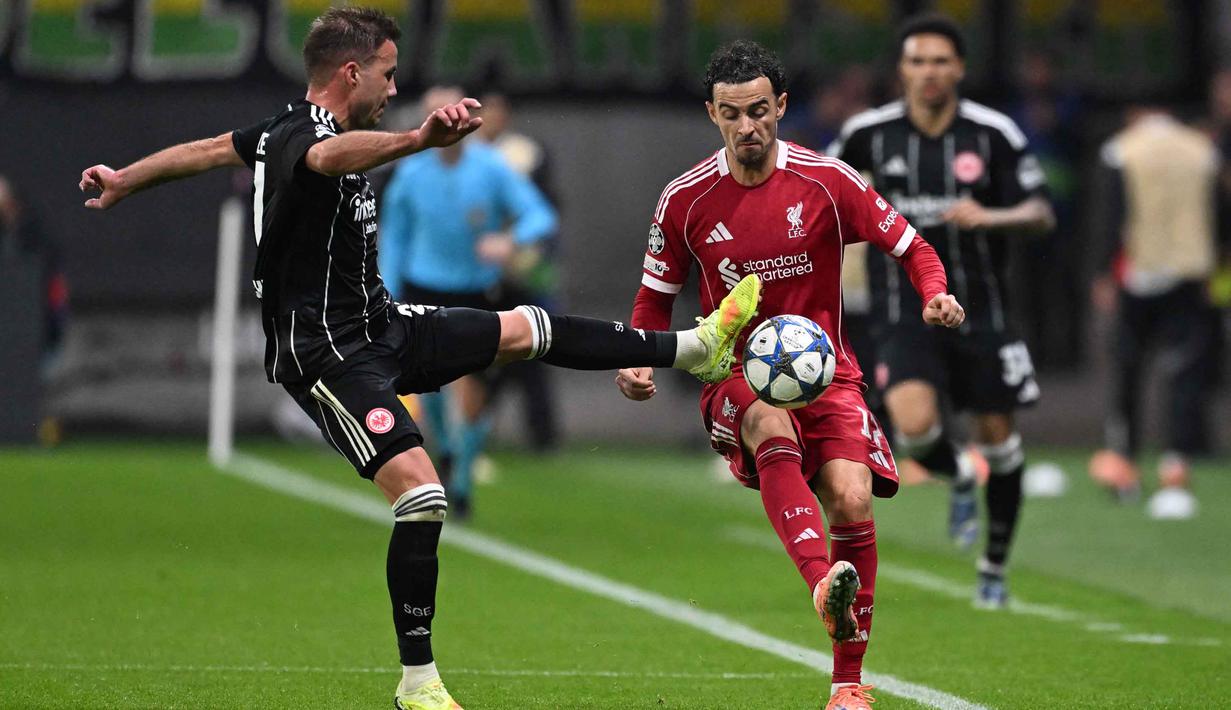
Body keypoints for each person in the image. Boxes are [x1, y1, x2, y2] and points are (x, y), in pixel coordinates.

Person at [78, 8, 762, 709]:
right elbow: (325, 160)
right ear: (352, 73)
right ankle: (418, 684)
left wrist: (127, 179)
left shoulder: (278, 133)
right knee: (422, 496)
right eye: (387, 72)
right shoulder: (306, 138)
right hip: (327, 356)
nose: (393, 84)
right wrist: (416, 137)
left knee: (523, 326)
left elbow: (208, 149)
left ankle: (693, 348)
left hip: (381, 324)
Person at [615, 40, 965, 710]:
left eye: (757, 111)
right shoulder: (685, 199)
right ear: (711, 115)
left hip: (829, 374)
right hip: (732, 372)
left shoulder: (826, 183)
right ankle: (817, 579)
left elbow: (910, 244)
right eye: (729, 115)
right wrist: (639, 353)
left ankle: (846, 686)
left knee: (853, 502)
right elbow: (654, 297)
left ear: (779, 105)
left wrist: (933, 292)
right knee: (768, 422)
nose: (746, 127)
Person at [827, 14, 1055, 608]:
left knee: (1000, 440)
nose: (929, 72)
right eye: (917, 61)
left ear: (959, 68)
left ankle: (994, 568)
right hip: (905, 309)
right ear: (902, 70)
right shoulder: (867, 134)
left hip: (983, 312)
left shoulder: (993, 133)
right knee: (913, 427)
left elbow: (1041, 211)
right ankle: (956, 474)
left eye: (940, 61)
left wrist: (993, 216)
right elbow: (817, 190)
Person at [379, 85, 559, 519]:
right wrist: (386, 288)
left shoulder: (491, 169)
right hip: (423, 289)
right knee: (432, 388)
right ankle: (446, 453)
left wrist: (509, 240)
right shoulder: (410, 174)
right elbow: (394, 235)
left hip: (476, 291)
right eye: (430, 115)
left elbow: (540, 215)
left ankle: (460, 474)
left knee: (477, 387)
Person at [1088, 106, 1220, 520]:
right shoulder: (1202, 150)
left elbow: (1111, 216)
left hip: (1137, 274)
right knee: (1184, 371)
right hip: (1190, 273)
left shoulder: (1122, 150)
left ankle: (1124, 462)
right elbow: (1219, 213)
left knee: (1128, 369)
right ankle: (1176, 462)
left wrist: (1101, 271)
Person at [478, 90, 564, 453]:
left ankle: (543, 435)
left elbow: (547, 209)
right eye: (486, 109)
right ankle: (475, 436)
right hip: (479, 267)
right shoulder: (462, 152)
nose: (492, 116)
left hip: (525, 265)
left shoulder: (525, 152)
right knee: (481, 352)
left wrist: (529, 250)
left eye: (499, 109)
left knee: (534, 346)